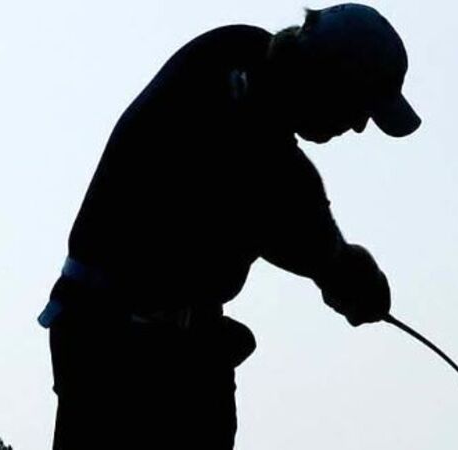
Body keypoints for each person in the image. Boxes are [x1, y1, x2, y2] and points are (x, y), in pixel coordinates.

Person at [37, 3, 421, 449]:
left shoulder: (237, 63)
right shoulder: (229, 81)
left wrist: (339, 267)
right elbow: (275, 193)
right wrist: (343, 269)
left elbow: (284, 202)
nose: (357, 126)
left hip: (180, 345)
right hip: (111, 344)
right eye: (358, 105)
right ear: (329, 76)